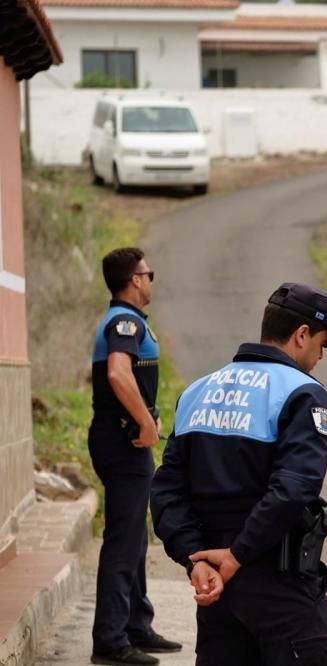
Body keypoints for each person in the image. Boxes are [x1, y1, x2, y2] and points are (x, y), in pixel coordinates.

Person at [150, 283, 327, 665]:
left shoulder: (197, 392)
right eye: (322, 343)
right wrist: (238, 554)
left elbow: (166, 490)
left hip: (215, 585)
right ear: (301, 335)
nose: (321, 355)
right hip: (276, 577)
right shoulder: (302, 392)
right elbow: (294, 489)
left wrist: (196, 560)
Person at [89, 247, 180, 666]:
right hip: (122, 442)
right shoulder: (124, 321)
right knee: (123, 541)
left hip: (123, 440)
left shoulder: (128, 320)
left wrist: (147, 420)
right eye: (148, 274)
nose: (151, 281)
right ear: (135, 280)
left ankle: (136, 625)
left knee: (135, 538)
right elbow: (118, 373)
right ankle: (110, 640)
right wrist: (145, 422)